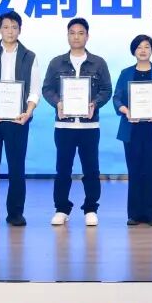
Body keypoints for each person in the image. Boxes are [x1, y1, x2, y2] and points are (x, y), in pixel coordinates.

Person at [41, 17, 112, 226]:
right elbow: (47, 89)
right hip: (64, 126)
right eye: (72, 33)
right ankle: (62, 209)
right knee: (63, 169)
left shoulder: (98, 63)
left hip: (89, 126)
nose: (76, 37)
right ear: (67, 36)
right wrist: (58, 103)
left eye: (81, 33)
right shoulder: (56, 62)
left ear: (87, 36)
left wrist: (94, 104)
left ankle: (90, 208)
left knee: (91, 169)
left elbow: (106, 89)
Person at [0, 10, 41, 227]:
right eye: (6, 27)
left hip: (18, 120)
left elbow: (34, 90)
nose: (10, 31)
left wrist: (28, 112)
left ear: (20, 30)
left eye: (14, 27)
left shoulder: (29, 56)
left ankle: (15, 213)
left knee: (16, 167)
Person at [113, 34, 152, 226]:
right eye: (139, 47)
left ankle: (151, 214)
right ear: (134, 51)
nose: (143, 50)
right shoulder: (125, 73)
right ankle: (134, 214)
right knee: (134, 171)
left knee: (151, 170)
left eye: (147, 46)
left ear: (151, 50)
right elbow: (117, 98)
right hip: (131, 130)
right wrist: (126, 110)